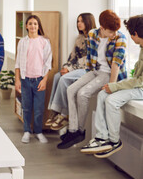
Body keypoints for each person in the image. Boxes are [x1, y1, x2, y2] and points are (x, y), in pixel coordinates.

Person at [58, 9, 127, 149]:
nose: (114, 34)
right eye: (111, 31)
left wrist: (112, 86)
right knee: (71, 89)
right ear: (102, 28)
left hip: (108, 74)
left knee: (83, 93)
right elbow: (90, 57)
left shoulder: (120, 38)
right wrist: (87, 75)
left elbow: (116, 64)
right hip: (95, 71)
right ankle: (72, 130)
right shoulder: (92, 34)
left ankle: (80, 131)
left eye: (115, 31)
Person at [80, 15, 143, 158]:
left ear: (136, 34)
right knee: (103, 94)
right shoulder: (141, 46)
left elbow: (140, 82)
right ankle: (102, 137)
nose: (131, 38)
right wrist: (115, 86)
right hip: (138, 85)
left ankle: (114, 141)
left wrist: (115, 86)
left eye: (131, 34)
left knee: (111, 100)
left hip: (141, 88)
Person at [46, 13, 96, 130]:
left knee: (64, 79)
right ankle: (54, 110)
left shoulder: (94, 37)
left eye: (82, 21)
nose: (79, 24)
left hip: (88, 70)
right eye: (78, 21)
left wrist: (70, 69)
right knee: (57, 76)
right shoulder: (79, 38)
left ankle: (64, 114)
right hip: (78, 68)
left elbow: (88, 60)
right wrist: (66, 67)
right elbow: (72, 56)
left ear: (88, 22)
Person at [15, 15, 52, 143]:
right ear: (26, 26)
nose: (32, 26)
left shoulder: (44, 42)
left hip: (39, 80)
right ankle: (26, 131)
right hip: (25, 80)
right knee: (26, 107)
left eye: (35, 24)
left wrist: (44, 80)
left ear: (38, 26)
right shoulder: (22, 42)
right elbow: (18, 62)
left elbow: (48, 63)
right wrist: (17, 80)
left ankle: (38, 132)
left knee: (39, 108)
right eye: (30, 23)